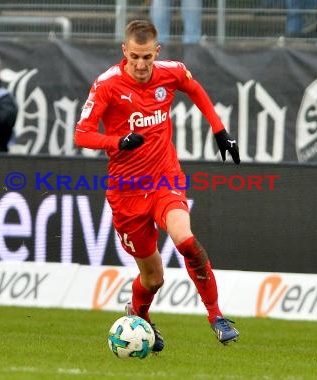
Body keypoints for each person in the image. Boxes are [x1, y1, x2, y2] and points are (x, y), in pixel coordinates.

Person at [74, 19, 240, 352]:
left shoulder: (171, 72)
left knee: (186, 240)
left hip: (165, 179)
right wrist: (118, 141)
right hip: (126, 192)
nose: (140, 64)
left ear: (156, 52)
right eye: (134, 56)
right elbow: (82, 134)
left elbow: (195, 88)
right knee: (154, 278)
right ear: (124, 51)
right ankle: (140, 315)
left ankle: (216, 317)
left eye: (146, 57)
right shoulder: (107, 84)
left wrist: (219, 130)